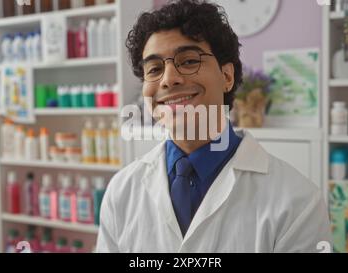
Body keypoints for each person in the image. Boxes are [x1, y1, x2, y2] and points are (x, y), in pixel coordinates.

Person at [96, 0, 331, 252]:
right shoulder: (121, 191)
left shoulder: (298, 201)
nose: (168, 79)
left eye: (188, 61)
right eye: (154, 69)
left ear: (227, 76)